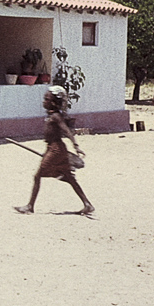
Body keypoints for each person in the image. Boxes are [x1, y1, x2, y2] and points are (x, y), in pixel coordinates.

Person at [14, 85, 94, 216]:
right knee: (69, 177)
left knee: (37, 176)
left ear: (52, 102)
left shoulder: (56, 116)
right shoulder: (51, 115)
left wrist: (76, 146)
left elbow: (66, 131)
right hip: (55, 149)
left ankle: (30, 206)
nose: (43, 101)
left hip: (56, 149)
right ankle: (87, 204)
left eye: (46, 99)